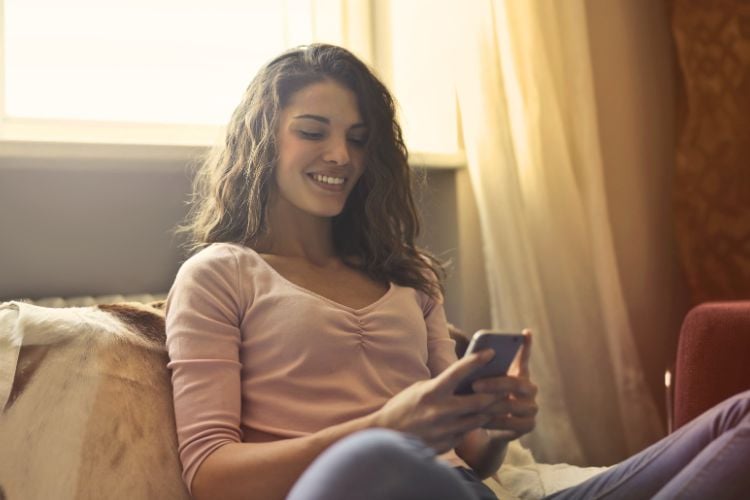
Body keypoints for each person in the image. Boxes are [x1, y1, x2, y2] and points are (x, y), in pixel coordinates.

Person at [165, 43, 750, 500]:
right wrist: (384, 428)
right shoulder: (220, 274)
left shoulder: (408, 277)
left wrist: (495, 424)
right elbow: (211, 478)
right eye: (313, 132)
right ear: (263, 139)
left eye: (358, 140)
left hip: (459, 490)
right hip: (357, 484)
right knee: (379, 458)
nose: (340, 156)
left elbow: (469, 455)